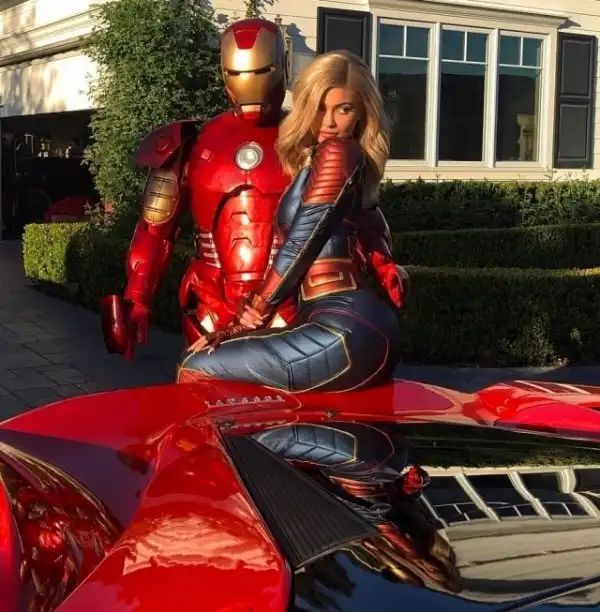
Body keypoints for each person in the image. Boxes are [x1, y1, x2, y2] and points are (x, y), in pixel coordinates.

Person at [100, 18, 399, 361]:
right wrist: (136, 297)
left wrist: (382, 261)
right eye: (240, 72)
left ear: (281, 66)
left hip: (287, 300)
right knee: (206, 385)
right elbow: (154, 229)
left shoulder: (309, 138)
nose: (251, 85)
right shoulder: (193, 143)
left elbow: (356, 210)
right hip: (211, 298)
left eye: (262, 71)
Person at [176, 49, 407, 392]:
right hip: (349, 325)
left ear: (361, 113)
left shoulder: (338, 153)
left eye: (343, 109)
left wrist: (248, 317)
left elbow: (303, 239)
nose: (329, 122)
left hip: (344, 330)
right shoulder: (325, 161)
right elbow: (370, 224)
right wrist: (385, 264)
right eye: (319, 107)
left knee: (196, 366)